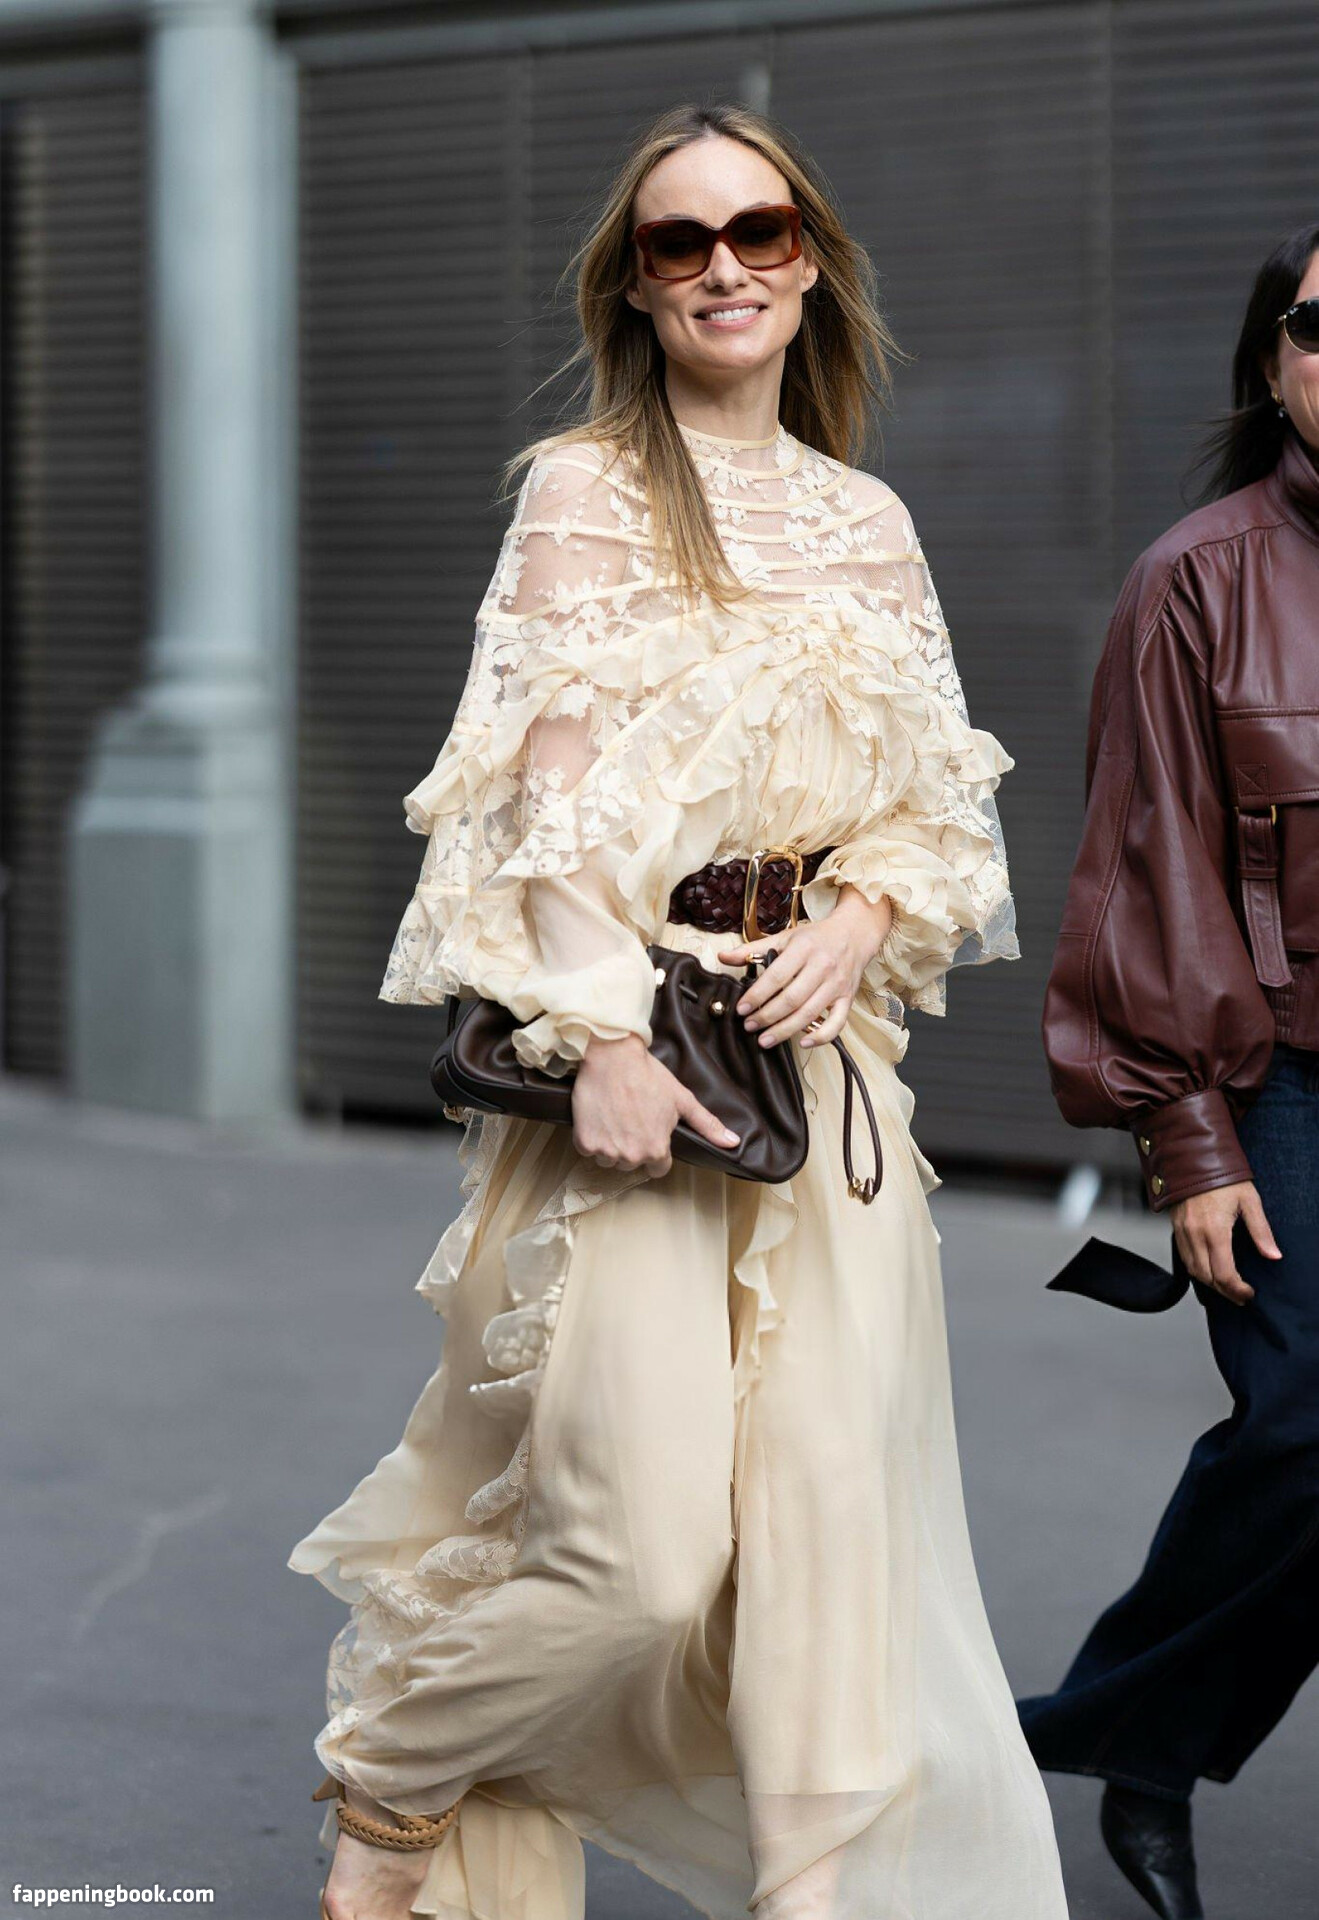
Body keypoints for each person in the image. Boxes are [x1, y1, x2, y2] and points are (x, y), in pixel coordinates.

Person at [289, 100, 1069, 1920]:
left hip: (824, 1085)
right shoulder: (584, 492)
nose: (725, 267)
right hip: (641, 1066)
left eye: (759, 233)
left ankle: (819, 1898)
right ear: (635, 288)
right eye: (680, 242)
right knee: (633, 1555)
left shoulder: (870, 522)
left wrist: (862, 915)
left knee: (826, 1563)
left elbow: (939, 804)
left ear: (813, 268)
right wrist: (607, 1039)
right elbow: (536, 803)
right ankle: (392, 1785)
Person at [1018, 221, 1319, 1920]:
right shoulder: (1196, 581)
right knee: (1303, 1428)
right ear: (1273, 361)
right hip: (1281, 1078)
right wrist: (1191, 1140)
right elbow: (1149, 876)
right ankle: (1116, 1735)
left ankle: (1135, 1741)